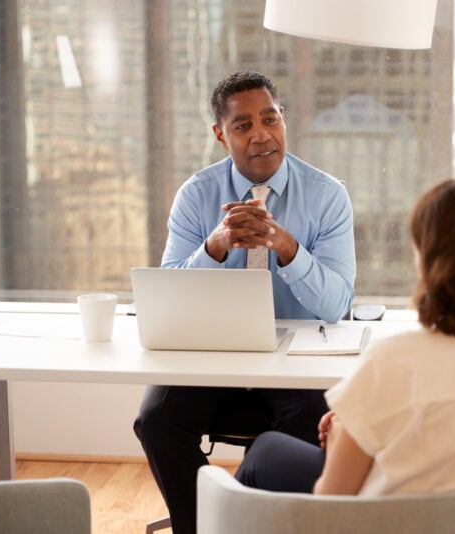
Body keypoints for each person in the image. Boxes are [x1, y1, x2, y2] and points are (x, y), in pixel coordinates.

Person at [234, 173, 455, 496]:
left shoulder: (394, 363)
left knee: (265, 451)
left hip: (392, 520)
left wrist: (346, 431)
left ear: (432, 263)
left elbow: (332, 501)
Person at [133, 71, 356, 534]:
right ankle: (200, 527)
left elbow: (336, 304)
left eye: (270, 119)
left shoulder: (328, 196)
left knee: (304, 427)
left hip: (295, 366)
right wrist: (214, 248)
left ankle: (257, 525)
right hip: (214, 358)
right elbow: (169, 294)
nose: (261, 135)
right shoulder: (197, 195)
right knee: (155, 421)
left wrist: (288, 249)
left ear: (283, 120)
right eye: (242, 126)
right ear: (220, 134)